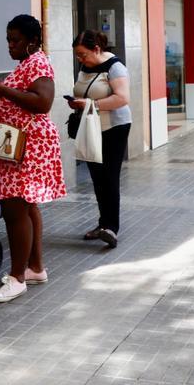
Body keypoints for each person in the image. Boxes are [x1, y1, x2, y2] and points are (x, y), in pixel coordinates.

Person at [0, 14, 64, 303]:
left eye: (15, 40)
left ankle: (16, 278)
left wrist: (2, 90)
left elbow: (43, 102)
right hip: (18, 147)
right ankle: (35, 268)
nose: (10, 45)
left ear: (32, 41)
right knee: (27, 208)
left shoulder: (38, 63)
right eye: (8, 40)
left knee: (15, 211)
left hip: (27, 148)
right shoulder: (28, 63)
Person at [69, 29, 131, 249]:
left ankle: (111, 228)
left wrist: (91, 105)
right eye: (77, 55)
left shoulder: (114, 66)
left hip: (114, 127)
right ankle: (103, 224)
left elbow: (122, 98)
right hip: (90, 127)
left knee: (109, 177)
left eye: (83, 54)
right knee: (97, 178)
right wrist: (77, 102)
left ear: (96, 49)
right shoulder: (85, 68)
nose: (80, 59)